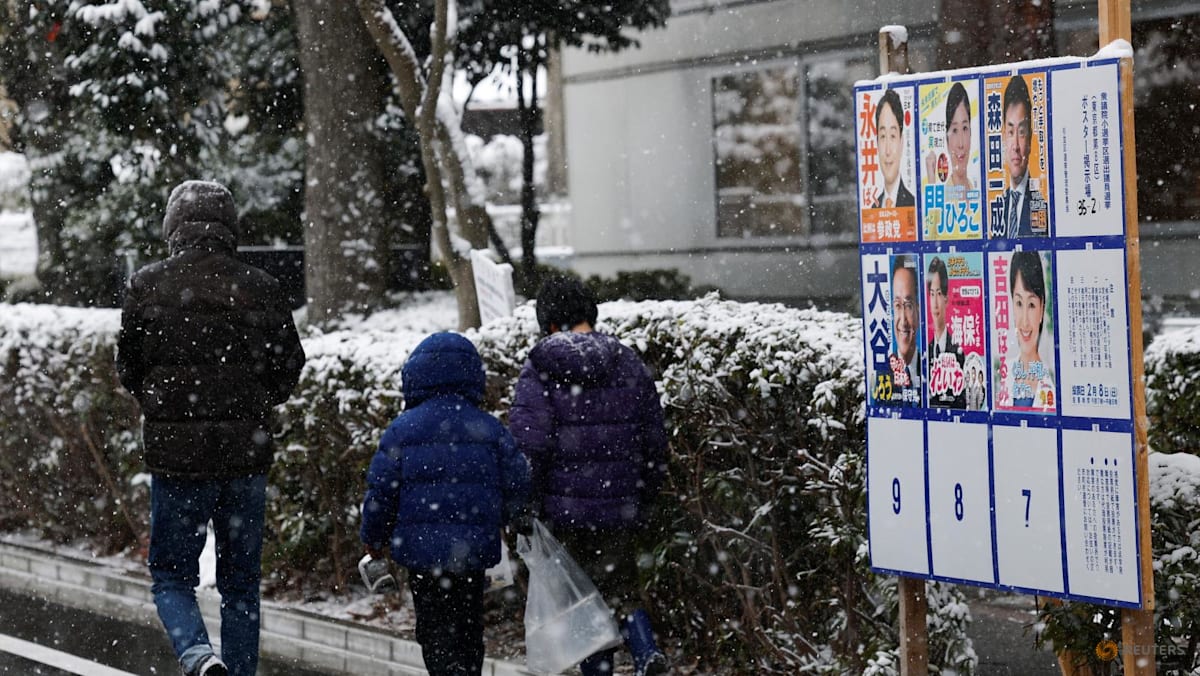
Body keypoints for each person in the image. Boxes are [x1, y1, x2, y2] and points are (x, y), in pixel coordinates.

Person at [116, 180, 306, 676]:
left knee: (171, 577)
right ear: (230, 227)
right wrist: (255, 403)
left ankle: (199, 658)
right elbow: (289, 366)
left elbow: (129, 369)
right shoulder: (261, 286)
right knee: (241, 585)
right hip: (245, 459)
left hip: (177, 462)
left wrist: (164, 407)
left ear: (173, 225)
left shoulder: (147, 285)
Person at [509, 275, 669, 676]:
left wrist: (524, 503)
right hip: (619, 503)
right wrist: (646, 493)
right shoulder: (626, 359)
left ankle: (599, 672)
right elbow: (653, 437)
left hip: (564, 509)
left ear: (547, 321)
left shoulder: (540, 366)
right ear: (589, 315)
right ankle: (646, 650)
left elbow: (531, 444)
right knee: (622, 587)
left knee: (581, 600)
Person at [360, 332, 531, 676]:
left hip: (423, 555)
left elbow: (381, 492)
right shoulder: (488, 428)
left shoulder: (402, 430)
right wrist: (518, 522)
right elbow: (517, 481)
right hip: (471, 551)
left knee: (434, 627)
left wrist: (374, 541)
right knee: (469, 626)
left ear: (416, 376)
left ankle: (447, 670)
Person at [1004, 251, 1056, 410]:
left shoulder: (1052, 384)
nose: (1025, 321)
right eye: (1019, 303)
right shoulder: (1003, 374)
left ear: (1042, 309)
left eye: (1032, 305)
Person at [999, 75, 1046, 238]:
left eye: (1022, 132)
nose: (1016, 146)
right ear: (1003, 136)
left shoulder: (1041, 207)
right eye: (1011, 132)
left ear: (1031, 138)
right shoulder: (997, 207)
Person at [926, 256, 965, 409]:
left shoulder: (959, 351)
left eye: (939, 293)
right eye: (931, 294)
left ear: (947, 299)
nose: (935, 303)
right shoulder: (926, 351)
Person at [870, 88, 915, 209]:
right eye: (883, 136)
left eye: (893, 136)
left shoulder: (913, 204)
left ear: (901, 143)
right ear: (877, 142)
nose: (888, 151)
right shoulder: (873, 209)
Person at [890, 255, 921, 405]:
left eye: (908, 305)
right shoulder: (882, 377)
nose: (903, 321)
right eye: (897, 306)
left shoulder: (933, 369)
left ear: (918, 309)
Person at [944, 82, 976, 195]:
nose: (961, 144)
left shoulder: (977, 190)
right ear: (946, 140)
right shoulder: (942, 199)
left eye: (965, 128)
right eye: (954, 130)